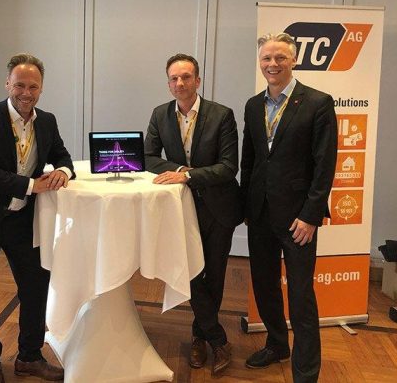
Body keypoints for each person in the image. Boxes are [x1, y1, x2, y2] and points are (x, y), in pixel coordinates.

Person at [0, 53, 73, 383]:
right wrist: (32, 185)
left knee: (36, 287)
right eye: (19, 85)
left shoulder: (47, 121)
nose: (26, 92)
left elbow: (63, 156)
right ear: (7, 83)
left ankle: (29, 356)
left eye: (33, 86)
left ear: (41, 88)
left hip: (23, 220)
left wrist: (63, 172)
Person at [240, 32, 337, 383]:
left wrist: (311, 215)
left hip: (299, 219)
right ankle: (277, 344)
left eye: (280, 57)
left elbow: (325, 164)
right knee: (264, 286)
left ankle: (306, 373)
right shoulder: (253, 105)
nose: (273, 64)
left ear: (294, 60)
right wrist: (246, 206)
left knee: (300, 296)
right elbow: (249, 160)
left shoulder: (318, 102)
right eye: (267, 58)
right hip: (260, 215)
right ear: (260, 62)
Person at [144, 53, 243, 376]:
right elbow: (147, 156)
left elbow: (228, 167)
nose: (180, 83)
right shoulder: (160, 114)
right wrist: (180, 170)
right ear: (168, 83)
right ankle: (217, 339)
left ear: (198, 81)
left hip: (219, 206)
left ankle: (199, 337)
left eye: (186, 77)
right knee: (189, 272)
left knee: (213, 275)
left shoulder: (221, 115)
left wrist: (187, 175)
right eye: (174, 78)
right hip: (180, 207)